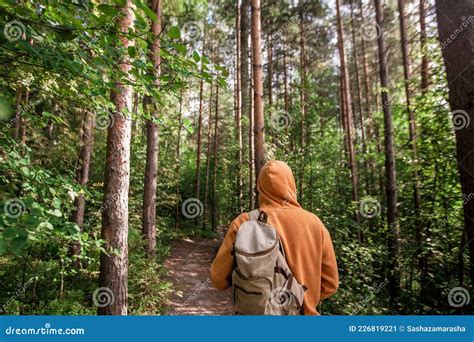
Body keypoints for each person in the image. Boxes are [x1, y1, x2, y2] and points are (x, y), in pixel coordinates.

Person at [210, 160, 339, 315]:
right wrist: (304, 297)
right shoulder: (315, 224)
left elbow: (218, 280)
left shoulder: (244, 222)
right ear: (292, 185)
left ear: (261, 188)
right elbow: (330, 284)